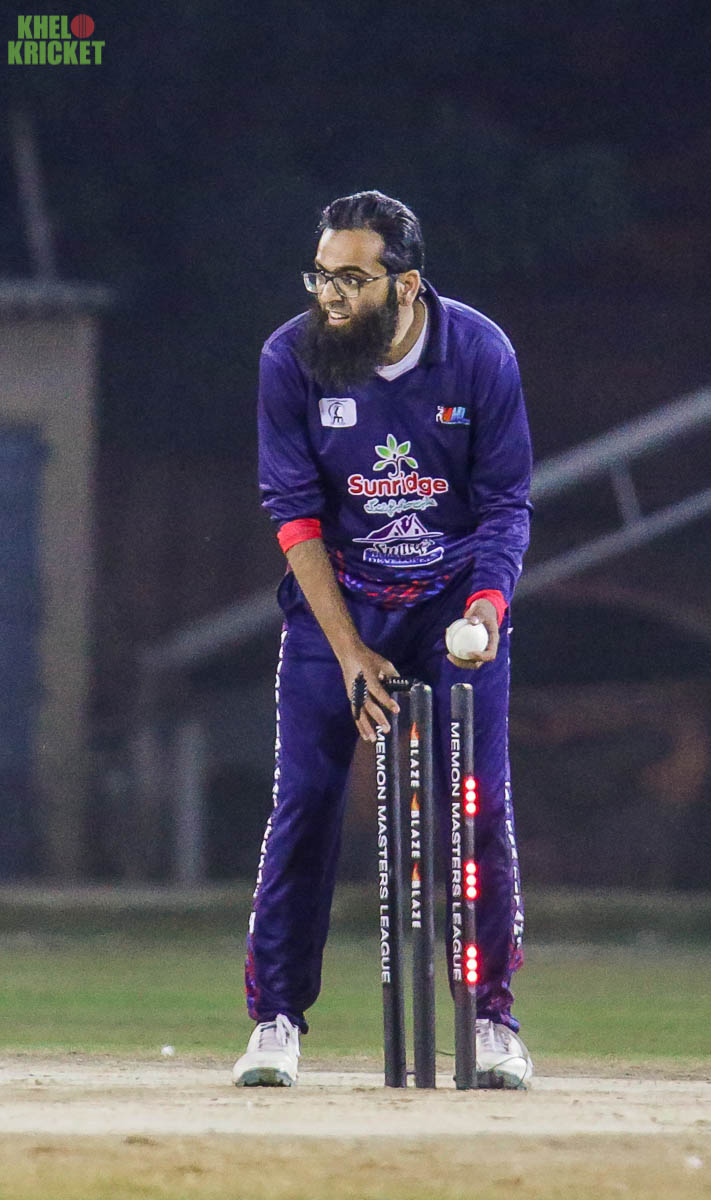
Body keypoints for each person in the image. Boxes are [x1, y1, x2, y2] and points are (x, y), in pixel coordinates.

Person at [233, 190, 534, 1089]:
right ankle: (276, 1020)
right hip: (339, 607)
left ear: (405, 285)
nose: (329, 296)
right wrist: (350, 650)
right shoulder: (292, 357)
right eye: (321, 275)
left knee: (475, 808)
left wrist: (485, 610)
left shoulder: (477, 352)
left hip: (451, 608)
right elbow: (293, 515)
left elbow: (505, 504)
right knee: (305, 802)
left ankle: (489, 1020)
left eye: (352, 279)